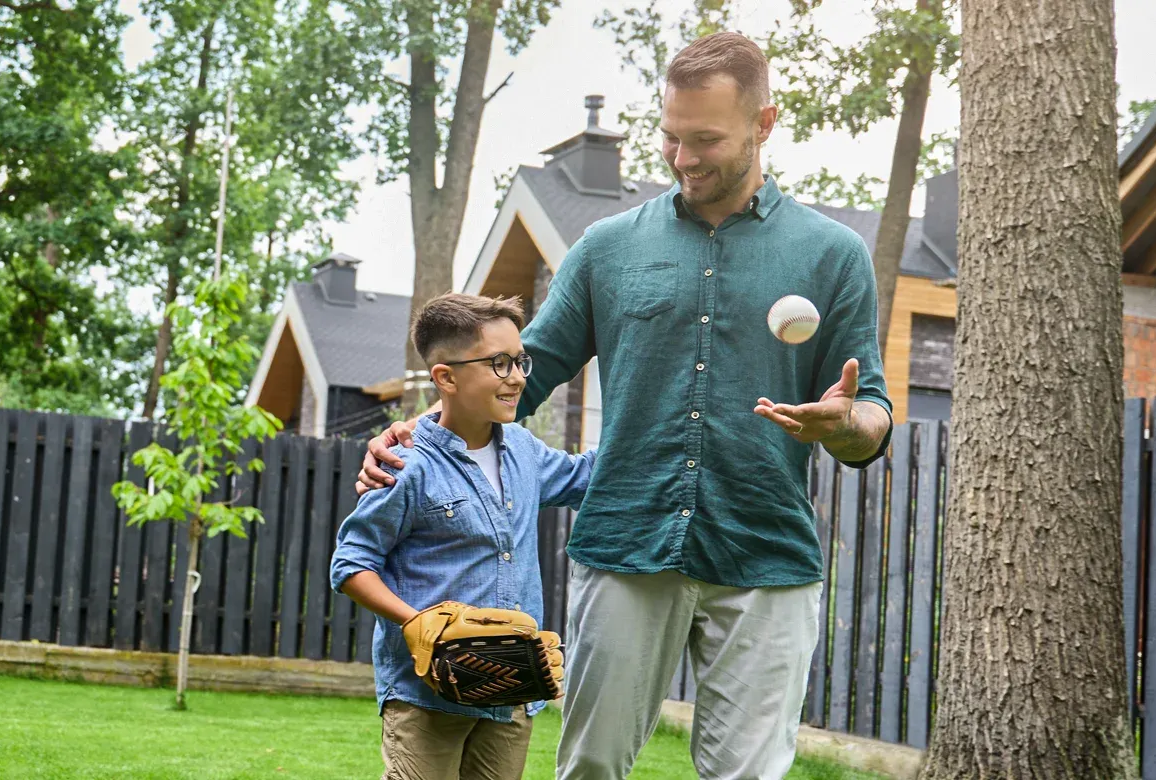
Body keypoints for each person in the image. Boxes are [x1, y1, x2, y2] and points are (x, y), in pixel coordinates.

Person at [356, 32, 894, 780]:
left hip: (766, 554)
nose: (683, 158)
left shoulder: (832, 254)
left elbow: (870, 413)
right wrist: (415, 435)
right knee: (593, 766)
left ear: (764, 124)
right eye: (671, 137)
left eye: (706, 139)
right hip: (626, 544)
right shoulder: (607, 248)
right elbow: (520, 375)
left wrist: (846, 425)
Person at [330, 293, 597, 780]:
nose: (517, 377)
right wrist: (416, 623)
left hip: (509, 693)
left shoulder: (523, 451)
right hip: (425, 697)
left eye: (519, 361)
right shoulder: (406, 467)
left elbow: (590, 476)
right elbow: (350, 565)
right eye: (499, 363)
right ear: (445, 378)